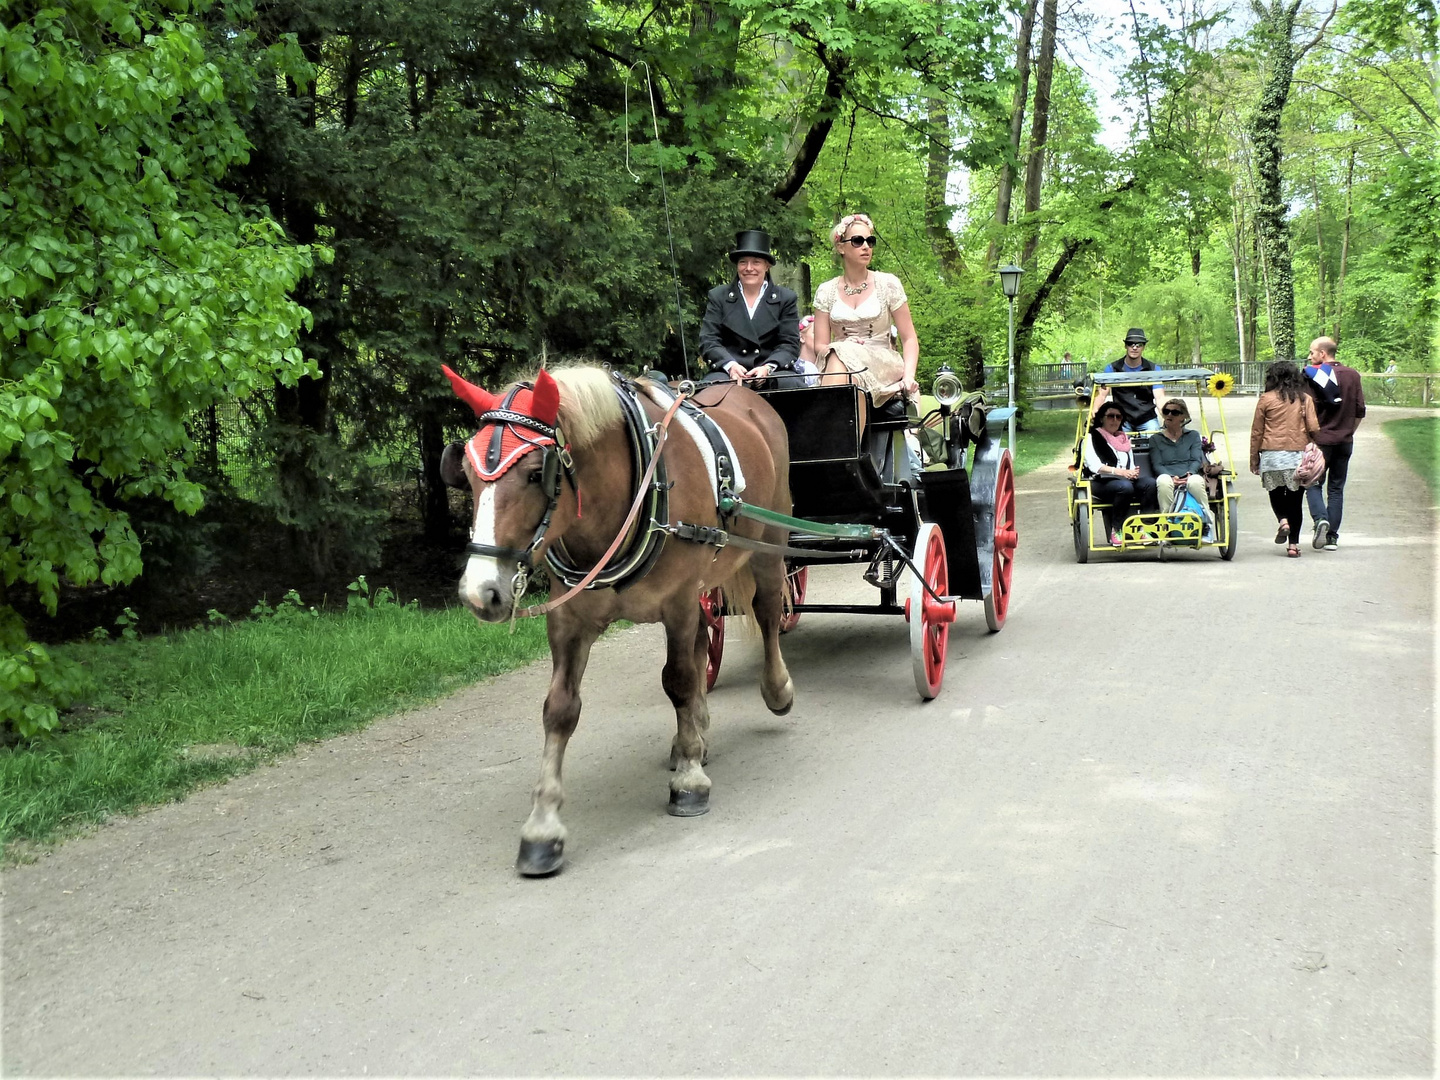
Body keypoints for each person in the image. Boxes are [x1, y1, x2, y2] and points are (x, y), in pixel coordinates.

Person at [811, 214, 920, 417]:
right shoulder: (826, 291)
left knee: (839, 358)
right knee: (841, 360)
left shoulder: (888, 283)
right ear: (841, 247)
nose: (866, 247)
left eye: (870, 241)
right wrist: (845, 348)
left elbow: (909, 338)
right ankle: (849, 447)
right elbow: (820, 345)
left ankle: (828, 439)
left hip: (883, 363)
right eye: (857, 241)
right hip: (843, 364)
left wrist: (908, 377)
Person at [698, 229, 801, 388]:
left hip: (773, 374)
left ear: (767, 266)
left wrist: (767, 368)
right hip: (729, 375)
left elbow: (789, 344)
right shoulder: (718, 296)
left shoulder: (786, 299)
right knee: (706, 393)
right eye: (743, 262)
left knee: (794, 387)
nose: (749, 268)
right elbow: (709, 340)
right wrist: (730, 365)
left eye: (756, 262)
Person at [1250, 360, 1321, 558]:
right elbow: (1314, 427)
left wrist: (1254, 458)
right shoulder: (1304, 398)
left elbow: (1257, 431)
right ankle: (1293, 546)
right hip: (1297, 455)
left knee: (1275, 493)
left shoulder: (1265, 399)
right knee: (1295, 501)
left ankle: (1282, 520)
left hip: (1271, 454)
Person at [1302, 336, 1366, 551]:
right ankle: (1332, 537)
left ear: (1322, 353)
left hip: (1320, 440)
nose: (1309, 357)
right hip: (1345, 440)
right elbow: (1359, 410)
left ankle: (1320, 519)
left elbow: (1306, 409)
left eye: (1312, 352)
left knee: (1312, 483)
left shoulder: (1312, 375)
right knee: (1336, 489)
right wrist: (1349, 431)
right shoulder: (1352, 375)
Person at [1084, 402, 1158, 546]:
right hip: (1101, 481)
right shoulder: (1091, 438)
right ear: (1101, 419)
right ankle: (1117, 529)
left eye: (1118, 417)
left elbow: (1129, 465)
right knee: (1124, 487)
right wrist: (1121, 472)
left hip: (1124, 480)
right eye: (1111, 416)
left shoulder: (1124, 439)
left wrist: (1133, 472)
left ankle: (1145, 527)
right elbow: (1095, 466)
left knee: (1149, 483)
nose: (1115, 420)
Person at [1149, 398, 1215, 536]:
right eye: (1166, 412)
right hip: (1168, 475)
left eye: (1174, 412)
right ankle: (1166, 526)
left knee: (1196, 481)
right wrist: (1172, 477)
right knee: (1163, 480)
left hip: (1189, 474)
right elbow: (1157, 464)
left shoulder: (1193, 436)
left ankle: (1207, 522)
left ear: (1183, 417)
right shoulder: (1156, 439)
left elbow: (1196, 459)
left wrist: (1190, 473)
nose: (1169, 415)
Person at [1092, 328, 1166, 431]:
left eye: (1139, 344)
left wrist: (1167, 416)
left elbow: (1160, 398)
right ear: (1126, 345)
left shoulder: (1154, 369)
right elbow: (1102, 394)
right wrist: (1094, 410)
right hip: (1121, 419)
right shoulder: (1112, 369)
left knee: (1155, 441)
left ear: (1143, 347)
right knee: (1114, 442)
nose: (1134, 347)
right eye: (1131, 343)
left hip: (1147, 418)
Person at [795, 315, 821, 386]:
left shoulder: (828, 366)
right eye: (815, 333)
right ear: (801, 337)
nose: (820, 338)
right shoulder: (794, 366)